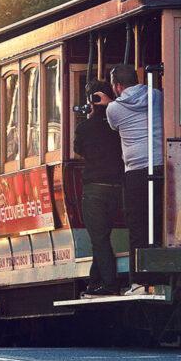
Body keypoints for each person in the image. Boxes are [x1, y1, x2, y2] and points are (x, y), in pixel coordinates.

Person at [97, 64, 164, 259]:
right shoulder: (157, 96)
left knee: (137, 225)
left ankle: (140, 280)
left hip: (136, 171)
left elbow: (115, 125)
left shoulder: (113, 109)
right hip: (161, 165)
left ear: (117, 86)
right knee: (160, 219)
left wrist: (109, 102)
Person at [73, 80, 125, 297]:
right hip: (117, 188)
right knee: (101, 236)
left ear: (91, 100)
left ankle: (110, 284)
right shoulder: (119, 123)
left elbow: (78, 150)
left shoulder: (85, 127)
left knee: (100, 238)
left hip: (95, 190)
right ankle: (95, 281)